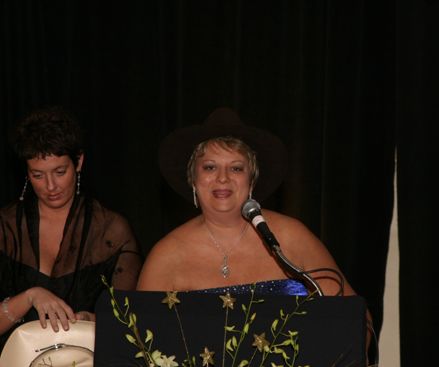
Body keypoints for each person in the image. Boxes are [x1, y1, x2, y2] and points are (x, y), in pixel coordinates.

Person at [137, 107, 356, 297]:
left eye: (236, 168)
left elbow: (355, 322)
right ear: (193, 180)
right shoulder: (166, 256)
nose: (223, 178)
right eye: (210, 167)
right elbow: (136, 336)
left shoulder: (291, 238)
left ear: (251, 182)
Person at [0, 106, 142, 350]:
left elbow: (134, 326)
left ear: (79, 162)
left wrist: (94, 321)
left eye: (60, 172)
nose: (50, 186)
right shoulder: (7, 226)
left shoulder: (111, 231)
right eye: (37, 175)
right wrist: (28, 297)